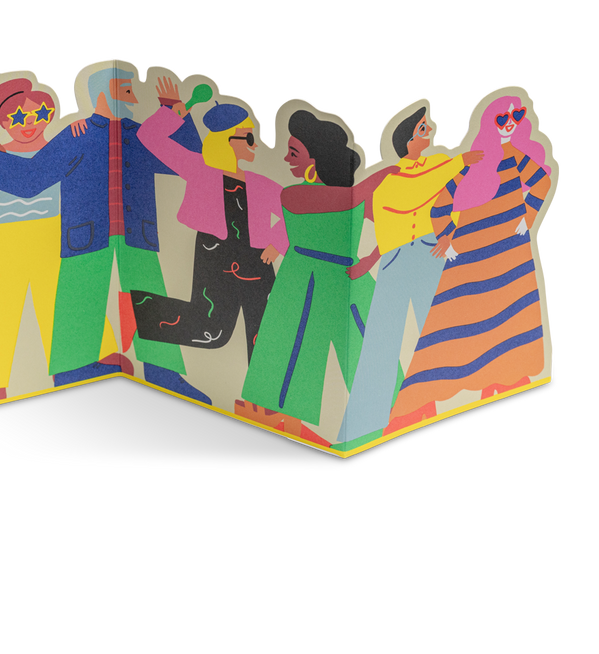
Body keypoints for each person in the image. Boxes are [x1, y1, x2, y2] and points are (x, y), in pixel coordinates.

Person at [0, 65, 209, 401]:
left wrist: (174, 110)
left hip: (138, 234)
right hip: (85, 235)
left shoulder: (140, 134)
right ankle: (73, 373)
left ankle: (164, 374)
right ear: (103, 93)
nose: (133, 96)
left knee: (152, 303)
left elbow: (188, 162)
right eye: (126, 89)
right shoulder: (76, 134)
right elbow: (31, 179)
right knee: (78, 300)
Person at [0, 78, 120, 417]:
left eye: (38, 115)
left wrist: (82, 126)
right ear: (3, 123)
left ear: (50, 114)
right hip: (3, 240)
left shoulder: (62, 144)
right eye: (18, 118)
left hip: (51, 236)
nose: (29, 124)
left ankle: (89, 359)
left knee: (66, 302)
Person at [383, 94, 552, 432]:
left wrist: (529, 217)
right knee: (451, 327)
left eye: (517, 116)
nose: (510, 124)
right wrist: (446, 238)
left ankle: (503, 380)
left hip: (510, 255)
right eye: (502, 118)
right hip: (470, 257)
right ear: (488, 123)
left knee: (510, 319)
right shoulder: (474, 161)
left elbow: (543, 182)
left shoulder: (515, 156)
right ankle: (420, 403)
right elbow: (439, 208)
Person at [235, 110, 399, 445]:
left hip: (346, 278)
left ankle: (384, 418)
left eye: (293, 152)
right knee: (292, 353)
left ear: (316, 159)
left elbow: (393, 223)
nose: (286, 158)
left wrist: (370, 259)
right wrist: (379, 179)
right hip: (302, 278)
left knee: (366, 346)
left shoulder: (353, 196)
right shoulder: (293, 194)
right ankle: (285, 419)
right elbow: (341, 199)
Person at [335, 105, 484, 445]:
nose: (431, 128)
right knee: (383, 338)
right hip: (398, 257)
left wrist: (449, 233)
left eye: (428, 124)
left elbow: (454, 200)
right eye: (423, 127)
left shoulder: (439, 163)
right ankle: (364, 423)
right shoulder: (393, 178)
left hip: (432, 251)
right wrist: (372, 260)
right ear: (407, 140)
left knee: (443, 326)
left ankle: (451, 397)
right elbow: (408, 200)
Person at [119, 77, 285, 371]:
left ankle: (264, 391)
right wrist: (173, 113)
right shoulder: (199, 169)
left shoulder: (262, 184)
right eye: (249, 138)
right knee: (213, 330)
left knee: (266, 331)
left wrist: (277, 242)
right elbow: (150, 138)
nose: (255, 144)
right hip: (215, 253)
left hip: (258, 260)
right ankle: (138, 310)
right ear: (228, 141)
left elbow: (290, 212)